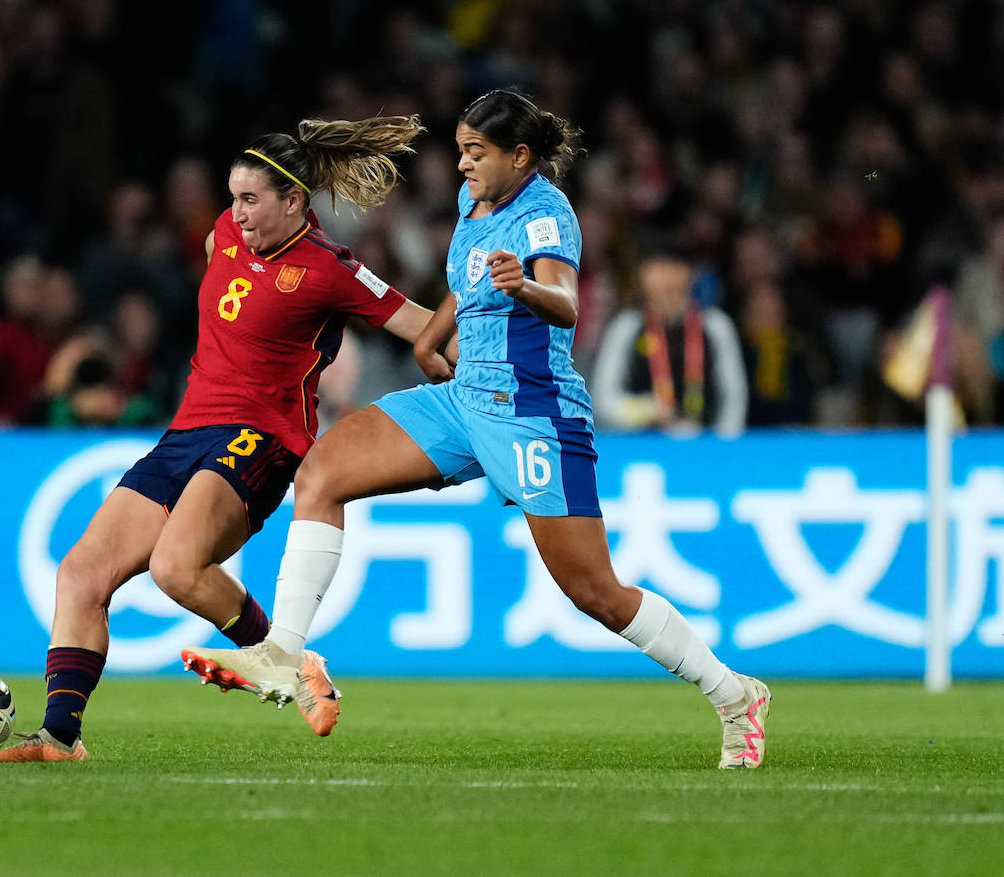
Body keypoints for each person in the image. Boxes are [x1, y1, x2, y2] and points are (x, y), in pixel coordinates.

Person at [183, 90, 771, 769]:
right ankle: (283, 653)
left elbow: (565, 302)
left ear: (519, 156)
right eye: (460, 150)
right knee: (322, 472)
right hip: (463, 400)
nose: (461, 165)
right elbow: (466, 280)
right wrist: (432, 338)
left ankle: (734, 695)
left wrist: (525, 287)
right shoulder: (474, 203)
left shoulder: (548, 217)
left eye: (475, 152)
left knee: (594, 592)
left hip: (531, 414)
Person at [0, 113, 440, 763]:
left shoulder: (330, 268)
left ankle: (285, 658)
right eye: (233, 197)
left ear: (294, 201)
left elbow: (422, 325)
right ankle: (60, 737)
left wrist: (475, 354)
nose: (238, 213)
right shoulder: (225, 235)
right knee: (82, 573)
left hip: (264, 438)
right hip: (188, 432)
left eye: (252, 199)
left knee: (176, 566)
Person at [591, 253, 749, 436]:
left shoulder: (716, 325)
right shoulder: (627, 327)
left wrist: (723, 444)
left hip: (707, 448)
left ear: (690, 274)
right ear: (643, 276)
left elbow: (734, 399)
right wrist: (648, 410)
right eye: (658, 268)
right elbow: (603, 400)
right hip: (643, 448)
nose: (667, 279)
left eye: (675, 268)